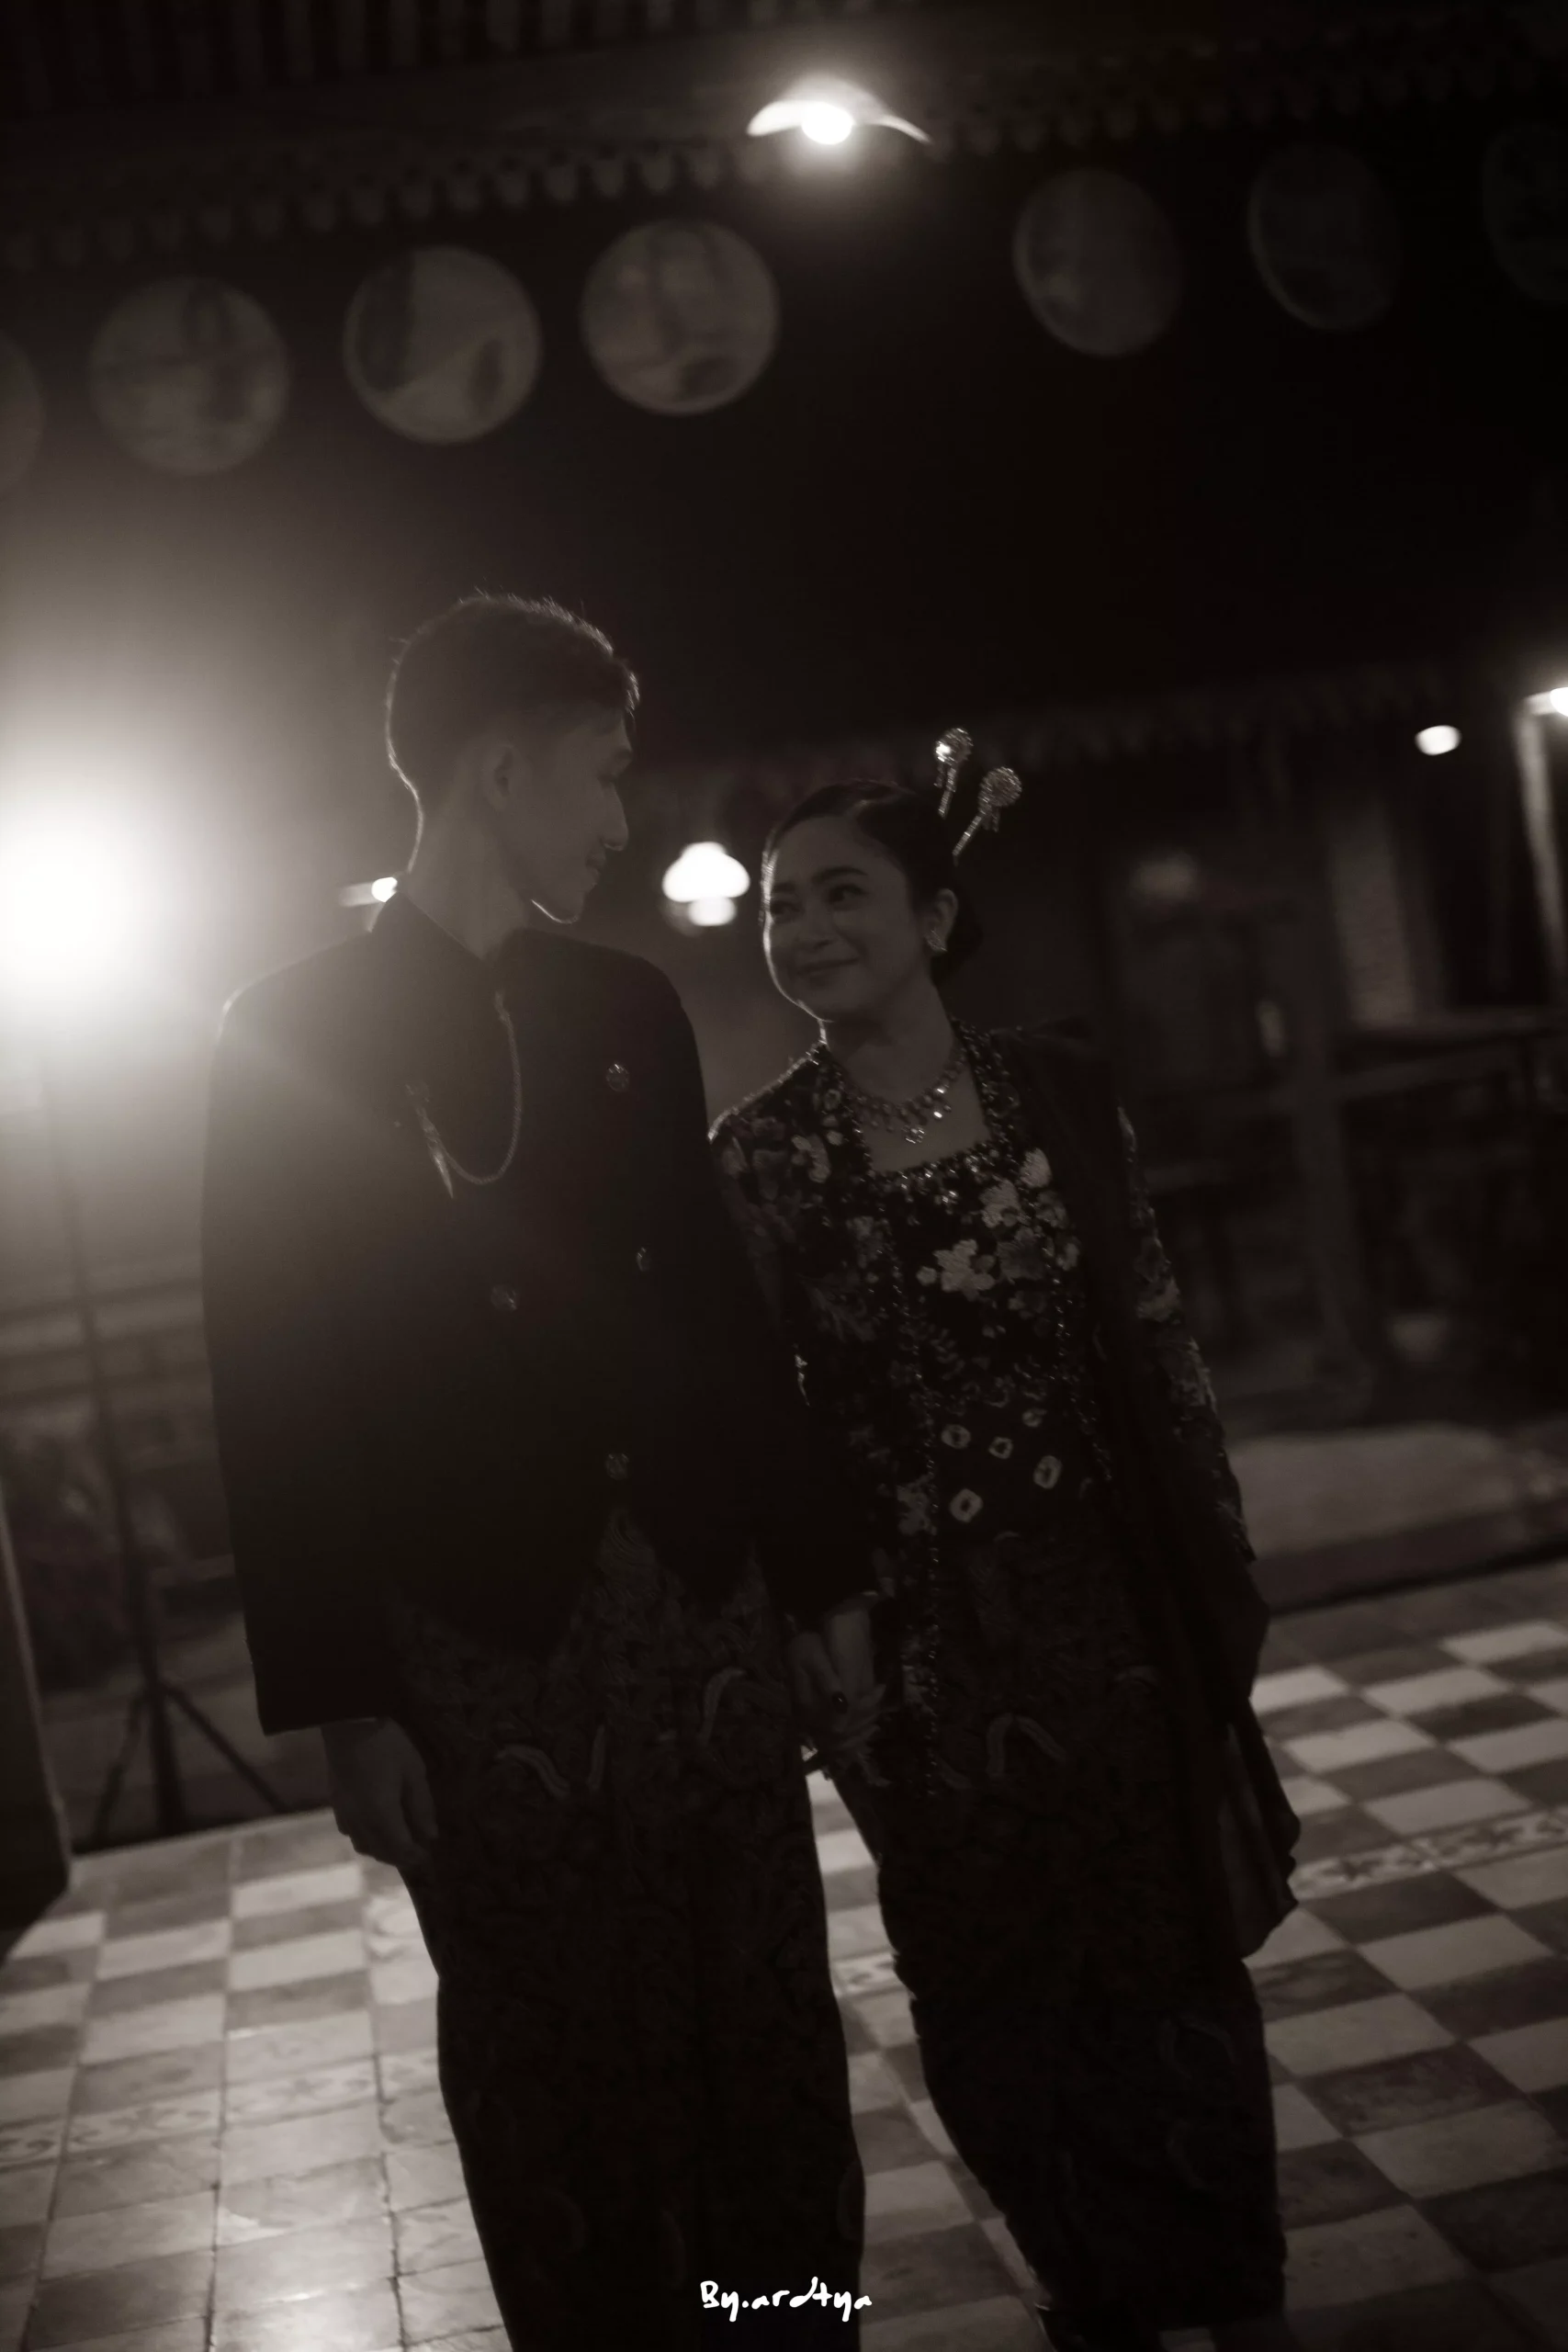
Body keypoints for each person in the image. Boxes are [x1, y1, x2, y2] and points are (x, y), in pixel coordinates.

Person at [200, 594, 879, 2350]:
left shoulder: (626, 1003)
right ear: (501, 769)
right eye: (601, 773)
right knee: (553, 2066)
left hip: (700, 1600)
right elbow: (271, 1387)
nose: (617, 818)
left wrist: (816, 1580)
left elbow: (716, 1314)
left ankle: (786, 2330)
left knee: (764, 2035)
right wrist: (345, 1703)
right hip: (475, 1636)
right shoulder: (286, 1032)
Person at [710, 770, 1303, 2352]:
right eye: (781, 904)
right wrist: (818, 1618)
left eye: (842, 892)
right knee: (987, 1985)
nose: (805, 927)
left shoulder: (1052, 1089)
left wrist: (1207, 1565)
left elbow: (1153, 1331)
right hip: (911, 1643)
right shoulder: (757, 1157)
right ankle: (1095, 2298)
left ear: (933, 916)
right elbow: (755, 1420)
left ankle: (1234, 2294)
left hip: (1107, 1597)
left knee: (1164, 1951)